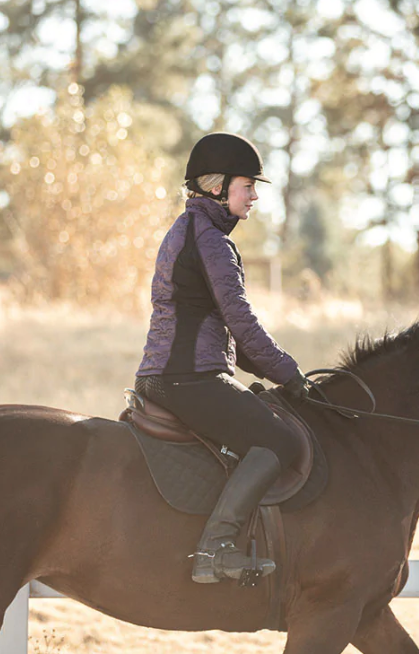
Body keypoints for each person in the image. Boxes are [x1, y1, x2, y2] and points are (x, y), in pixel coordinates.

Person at [135, 132, 308, 584]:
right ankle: (216, 547)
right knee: (280, 441)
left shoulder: (188, 229)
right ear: (217, 187)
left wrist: (267, 368)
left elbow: (224, 327)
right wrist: (291, 375)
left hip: (172, 374)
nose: (253, 196)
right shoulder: (210, 239)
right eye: (247, 186)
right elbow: (241, 319)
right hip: (188, 378)